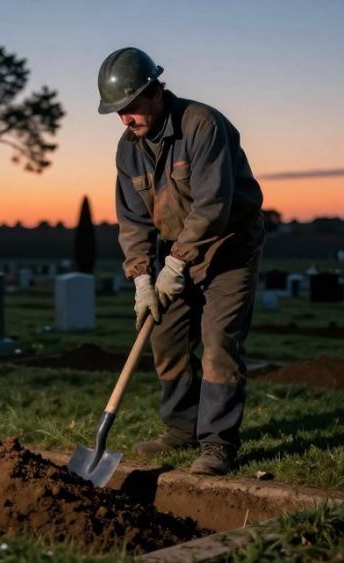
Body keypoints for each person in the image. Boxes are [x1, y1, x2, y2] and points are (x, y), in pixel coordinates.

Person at [97, 47, 265, 475]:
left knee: (219, 342)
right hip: (175, 252)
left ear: (154, 91)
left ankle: (217, 443)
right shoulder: (128, 149)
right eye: (118, 113)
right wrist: (141, 278)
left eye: (130, 108)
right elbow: (132, 220)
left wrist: (176, 265)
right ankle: (180, 428)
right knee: (164, 338)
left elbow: (213, 204)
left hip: (227, 245)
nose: (125, 120)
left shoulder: (202, 125)